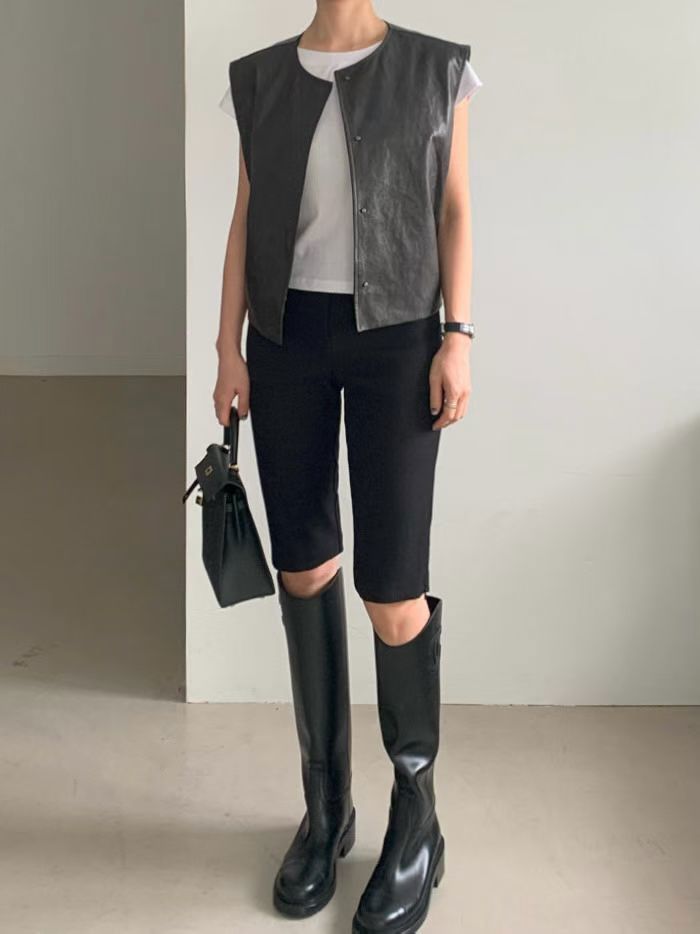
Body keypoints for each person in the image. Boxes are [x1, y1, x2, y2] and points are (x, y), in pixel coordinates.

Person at [214, 3, 482, 931]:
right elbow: (246, 216)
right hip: (284, 338)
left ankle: (418, 821)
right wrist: (227, 348)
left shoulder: (439, 69)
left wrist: (458, 335)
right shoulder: (258, 78)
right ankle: (327, 808)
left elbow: (454, 205)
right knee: (303, 567)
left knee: (393, 590)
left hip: (399, 341)